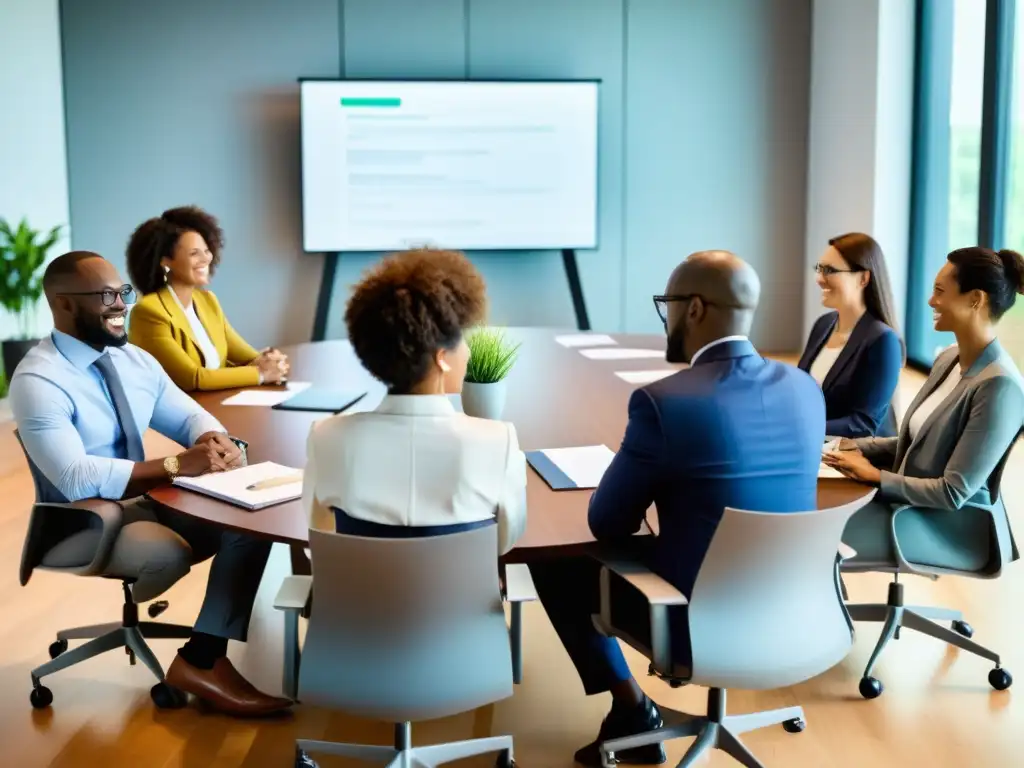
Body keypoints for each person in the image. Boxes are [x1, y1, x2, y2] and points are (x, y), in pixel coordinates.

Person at [529, 251, 825, 766]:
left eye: (666, 305)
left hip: (696, 619)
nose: (664, 318)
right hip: (798, 606)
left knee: (554, 560)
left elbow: (608, 523)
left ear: (692, 309)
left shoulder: (666, 401)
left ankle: (632, 708)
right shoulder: (804, 389)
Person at [9, 251, 292, 717]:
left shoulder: (133, 359)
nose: (122, 305)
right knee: (170, 551)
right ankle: (203, 661)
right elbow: (78, 479)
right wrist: (179, 465)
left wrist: (212, 438)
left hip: (141, 498)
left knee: (252, 518)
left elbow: (184, 412)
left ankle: (201, 660)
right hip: (85, 519)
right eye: (106, 296)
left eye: (123, 292)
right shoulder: (39, 379)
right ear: (62, 305)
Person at [301, 248, 526, 550]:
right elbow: (504, 545)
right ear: (442, 357)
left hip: (360, 597)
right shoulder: (498, 441)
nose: (469, 352)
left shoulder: (326, 437)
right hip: (462, 598)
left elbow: (321, 537)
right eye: (465, 342)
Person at [824, 247, 1024, 572]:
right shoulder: (949, 358)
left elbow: (952, 492)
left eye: (940, 292)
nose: (931, 301)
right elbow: (918, 443)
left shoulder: (1000, 386)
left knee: (816, 535)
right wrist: (851, 445)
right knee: (812, 515)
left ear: (975, 299)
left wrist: (876, 476)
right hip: (908, 504)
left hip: (947, 528)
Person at [125, 205, 288, 391]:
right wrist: (261, 373)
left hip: (214, 407)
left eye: (206, 250)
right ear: (165, 262)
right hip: (175, 416)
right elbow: (193, 378)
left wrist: (269, 361)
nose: (206, 259)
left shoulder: (207, 301)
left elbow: (246, 356)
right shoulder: (149, 311)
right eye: (194, 253)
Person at [798, 233, 903, 438]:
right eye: (819, 269)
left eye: (829, 270)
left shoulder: (883, 341)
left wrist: (801, 429)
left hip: (854, 459)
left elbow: (864, 424)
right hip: (817, 448)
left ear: (863, 278)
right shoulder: (823, 324)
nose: (819, 279)